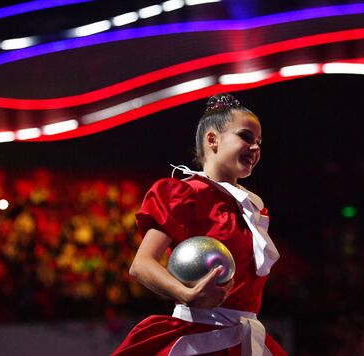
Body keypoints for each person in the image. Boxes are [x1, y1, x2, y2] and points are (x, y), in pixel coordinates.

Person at [112, 93, 286, 355]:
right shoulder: (184, 194)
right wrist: (186, 294)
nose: (255, 148)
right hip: (196, 339)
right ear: (212, 139)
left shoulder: (252, 206)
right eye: (246, 137)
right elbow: (142, 265)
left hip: (245, 341)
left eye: (259, 142)